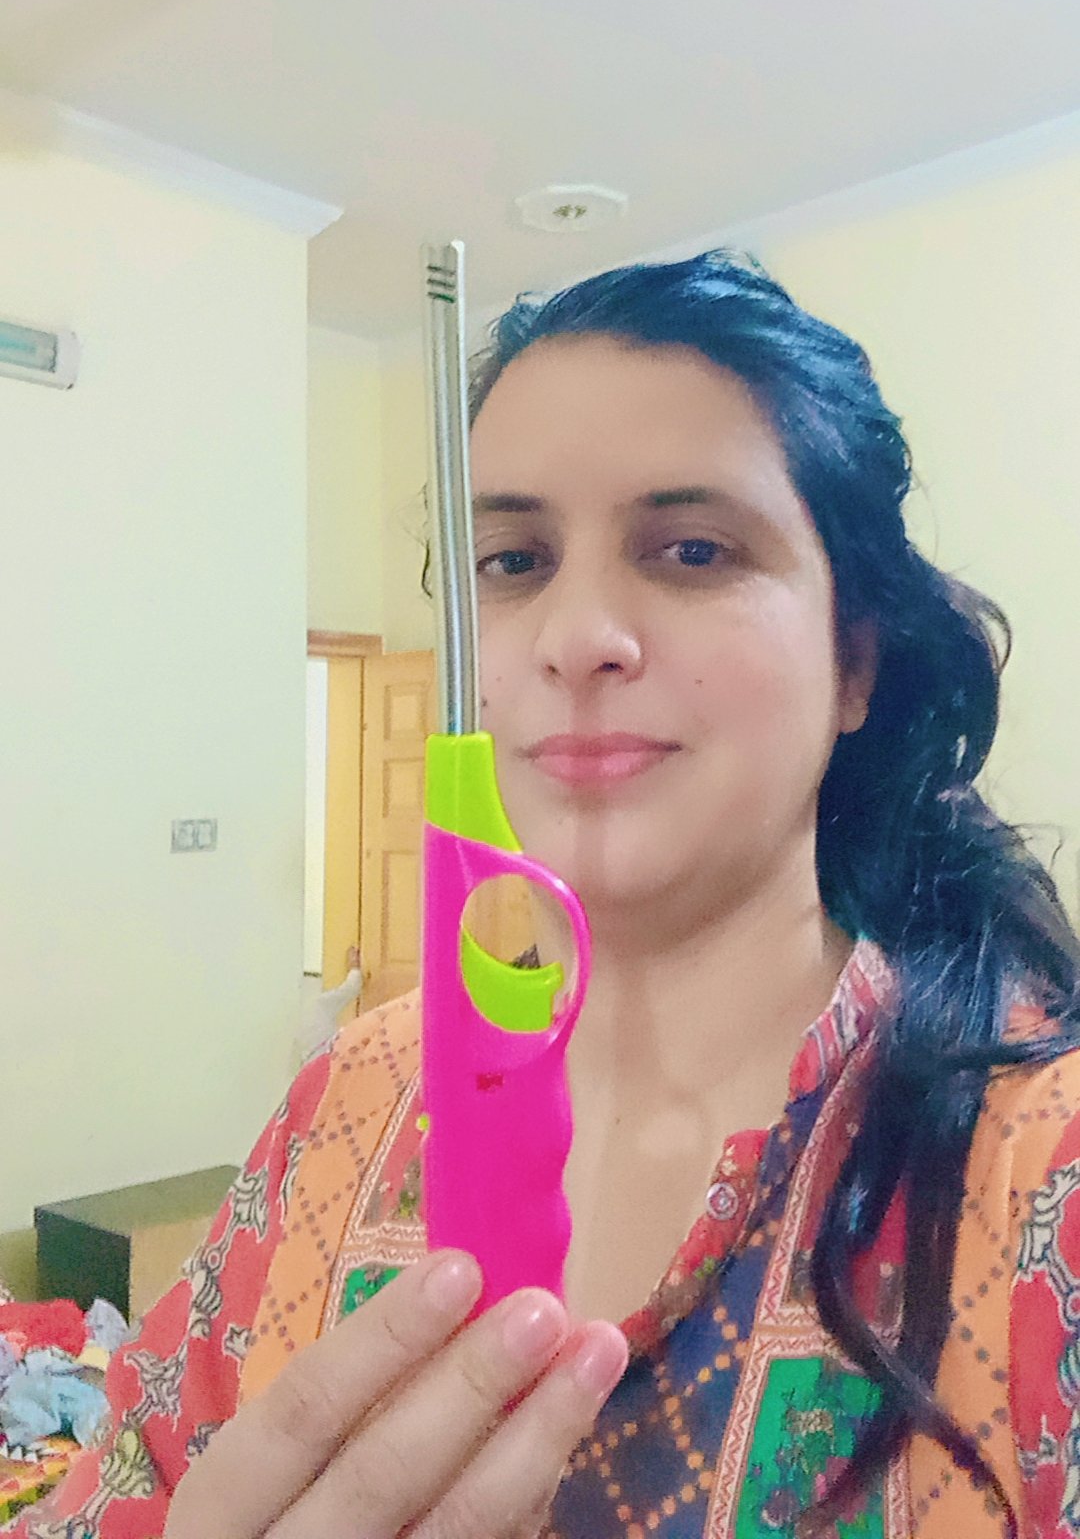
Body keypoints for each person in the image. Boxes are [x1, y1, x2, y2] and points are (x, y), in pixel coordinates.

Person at [13, 251, 1080, 1539]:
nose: (577, 637)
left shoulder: (1047, 1174)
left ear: (856, 662)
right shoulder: (346, 1104)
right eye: (514, 561)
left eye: (693, 549)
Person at [295, 943, 366, 1066]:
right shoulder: (318, 1004)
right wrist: (354, 968)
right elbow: (351, 988)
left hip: (311, 1067)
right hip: (332, 1063)